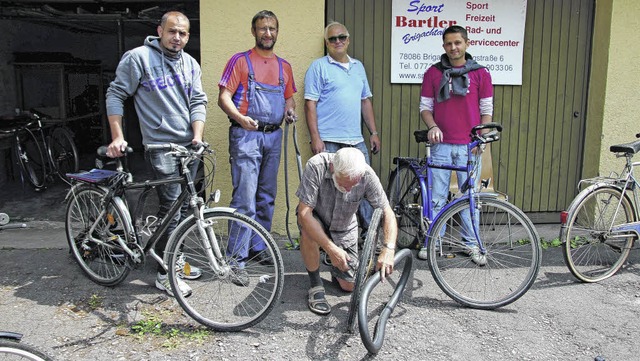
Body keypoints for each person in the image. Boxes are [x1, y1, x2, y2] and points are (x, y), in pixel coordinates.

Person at [105, 11, 208, 297]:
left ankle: (176, 259)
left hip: (189, 147)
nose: (177, 37)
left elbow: (199, 100)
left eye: (183, 33)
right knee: (171, 208)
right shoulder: (139, 58)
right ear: (160, 31)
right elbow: (116, 94)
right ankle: (166, 274)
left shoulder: (190, 63)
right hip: (161, 146)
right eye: (172, 31)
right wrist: (118, 136)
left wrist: (197, 137)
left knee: (187, 207)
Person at [217, 10, 297, 285]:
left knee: (266, 197)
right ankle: (235, 259)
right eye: (262, 28)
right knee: (244, 199)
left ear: (277, 31)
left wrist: (289, 112)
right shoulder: (240, 61)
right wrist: (239, 118)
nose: (267, 33)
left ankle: (257, 248)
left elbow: (289, 100)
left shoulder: (284, 67)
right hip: (246, 137)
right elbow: (223, 97)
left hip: (273, 137)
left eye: (272, 28)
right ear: (253, 31)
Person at [417, 25, 493, 264]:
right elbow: (425, 108)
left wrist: (481, 137)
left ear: (467, 44)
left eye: (458, 42)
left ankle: (471, 244)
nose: (453, 47)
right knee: (437, 196)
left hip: (469, 146)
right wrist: (433, 127)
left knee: (470, 197)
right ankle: (433, 242)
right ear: (444, 46)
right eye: (449, 44)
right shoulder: (433, 73)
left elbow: (486, 111)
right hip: (440, 145)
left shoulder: (481, 73)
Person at [296, 147, 397, 315]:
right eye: (345, 185)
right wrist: (331, 249)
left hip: (343, 226)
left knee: (349, 286)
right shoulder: (316, 166)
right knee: (308, 232)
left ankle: (336, 265)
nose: (350, 190)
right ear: (333, 169)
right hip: (316, 218)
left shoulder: (366, 174)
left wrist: (389, 248)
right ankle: (315, 285)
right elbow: (304, 214)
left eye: (354, 185)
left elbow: (387, 212)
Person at [303, 21, 379, 237]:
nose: (338, 41)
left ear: (348, 39)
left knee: (363, 186)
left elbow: (365, 101)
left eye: (342, 37)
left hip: (356, 140)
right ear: (326, 43)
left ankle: (367, 235)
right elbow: (310, 104)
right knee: (329, 193)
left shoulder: (358, 67)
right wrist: (315, 137)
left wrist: (373, 132)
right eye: (332, 39)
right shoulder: (318, 67)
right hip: (329, 141)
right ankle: (329, 237)